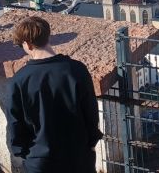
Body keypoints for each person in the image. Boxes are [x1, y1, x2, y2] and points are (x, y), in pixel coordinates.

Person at [8, 16, 102, 173]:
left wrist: (25, 154)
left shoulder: (19, 80)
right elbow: (91, 113)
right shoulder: (76, 69)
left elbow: (16, 124)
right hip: (78, 156)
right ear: (48, 37)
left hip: (40, 160)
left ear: (28, 44)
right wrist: (91, 143)